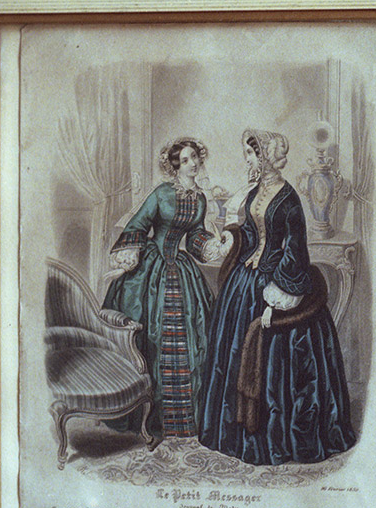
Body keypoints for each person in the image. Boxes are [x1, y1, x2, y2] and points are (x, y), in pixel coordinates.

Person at [199, 129, 356, 465]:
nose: (247, 160)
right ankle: (235, 434)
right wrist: (232, 238)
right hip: (245, 282)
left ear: (265, 157)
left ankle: (274, 440)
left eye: (251, 154)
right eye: (247, 153)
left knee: (276, 365)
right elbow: (250, 230)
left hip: (275, 282)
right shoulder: (256, 190)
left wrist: (277, 296)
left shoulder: (288, 198)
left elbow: (295, 249)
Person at [102, 137, 226, 440]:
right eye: (184, 160)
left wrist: (212, 246)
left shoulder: (200, 199)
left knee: (191, 338)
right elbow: (137, 226)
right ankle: (148, 418)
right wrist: (129, 256)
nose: (192, 164)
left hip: (181, 269)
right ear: (174, 167)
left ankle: (184, 420)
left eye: (194, 157)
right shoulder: (162, 193)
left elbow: (195, 236)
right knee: (152, 337)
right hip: (151, 269)